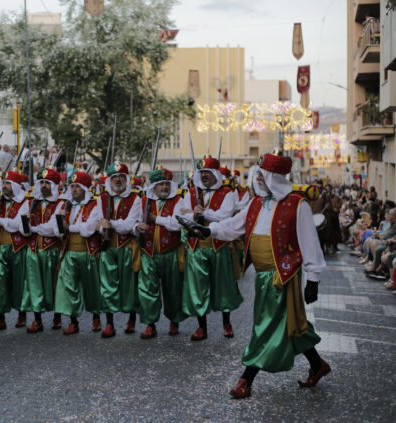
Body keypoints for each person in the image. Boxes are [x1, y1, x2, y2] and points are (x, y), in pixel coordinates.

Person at [192, 152, 330, 399]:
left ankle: (246, 378)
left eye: (262, 175)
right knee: (292, 324)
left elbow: (310, 243)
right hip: (263, 276)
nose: (258, 178)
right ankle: (318, 365)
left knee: (265, 326)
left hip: (282, 276)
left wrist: (313, 280)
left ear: (274, 177)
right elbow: (234, 226)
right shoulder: (256, 203)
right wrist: (208, 230)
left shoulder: (298, 205)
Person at [180, 155, 242, 341]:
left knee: (223, 285)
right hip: (197, 247)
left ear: (216, 173)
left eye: (208, 172)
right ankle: (202, 327)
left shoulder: (227, 193)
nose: (205, 175)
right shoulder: (191, 193)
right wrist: (194, 214)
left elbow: (225, 215)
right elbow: (182, 217)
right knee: (198, 288)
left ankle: (226, 322)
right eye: (202, 172)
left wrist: (202, 212)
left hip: (218, 245)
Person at [135, 168, 185, 338]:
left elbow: (177, 224)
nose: (164, 187)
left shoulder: (179, 201)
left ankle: (174, 321)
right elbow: (133, 221)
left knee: (173, 289)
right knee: (147, 290)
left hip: (170, 253)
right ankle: (150, 324)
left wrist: (155, 219)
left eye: (166, 184)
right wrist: (137, 226)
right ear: (154, 186)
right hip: (148, 253)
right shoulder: (142, 201)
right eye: (160, 184)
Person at [54, 172, 103, 334]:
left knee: (92, 287)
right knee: (69, 287)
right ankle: (73, 321)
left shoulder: (95, 205)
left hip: (88, 252)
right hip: (69, 252)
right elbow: (58, 231)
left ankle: (96, 317)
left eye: (77, 187)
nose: (74, 190)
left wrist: (69, 227)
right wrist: (61, 223)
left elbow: (88, 229)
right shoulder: (65, 206)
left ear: (85, 189)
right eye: (72, 186)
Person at [97, 161, 142, 338]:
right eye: (114, 177)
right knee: (108, 286)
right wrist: (102, 227)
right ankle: (109, 323)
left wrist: (111, 224)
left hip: (127, 247)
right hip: (108, 247)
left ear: (126, 178)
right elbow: (100, 222)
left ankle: (132, 319)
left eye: (120, 176)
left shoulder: (136, 199)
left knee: (130, 285)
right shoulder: (102, 198)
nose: (117, 179)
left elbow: (128, 226)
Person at [0, 170, 30, 331]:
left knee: (19, 282)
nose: (5, 186)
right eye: (4, 183)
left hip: (18, 247)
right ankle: (0, 318)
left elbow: (18, 224)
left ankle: (22, 314)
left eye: (8, 184)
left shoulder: (25, 202)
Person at [22, 168, 65, 333]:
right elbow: (22, 228)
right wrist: (27, 226)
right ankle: (37, 319)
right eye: (42, 183)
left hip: (51, 250)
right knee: (34, 285)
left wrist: (32, 227)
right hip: (33, 250)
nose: (44, 186)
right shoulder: (31, 202)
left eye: (48, 183)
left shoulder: (60, 203)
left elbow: (53, 229)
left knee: (54, 284)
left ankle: (57, 315)